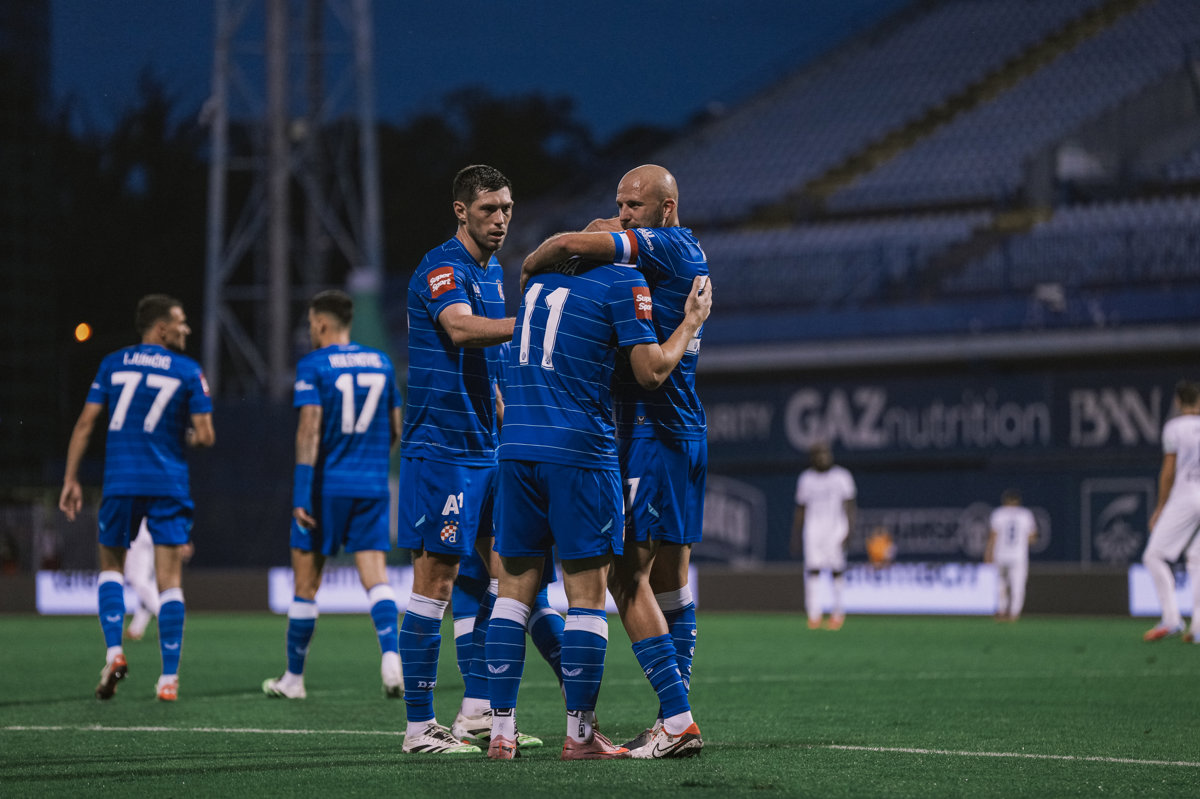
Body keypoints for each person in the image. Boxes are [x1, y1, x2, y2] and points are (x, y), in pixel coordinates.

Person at [484, 246, 712, 760]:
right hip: (580, 453)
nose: (629, 229)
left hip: (516, 449)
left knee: (511, 595)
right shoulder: (620, 281)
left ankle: (501, 732)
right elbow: (651, 372)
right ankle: (582, 737)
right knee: (590, 597)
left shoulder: (536, 285)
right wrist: (690, 322)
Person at [396, 164, 516, 755]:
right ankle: (419, 727)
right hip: (442, 451)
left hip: (486, 449)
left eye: (507, 209)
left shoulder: (490, 271)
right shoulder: (441, 266)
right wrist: (528, 323)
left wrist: (499, 403)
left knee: (501, 578)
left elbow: (486, 363)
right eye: (489, 209)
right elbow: (461, 330)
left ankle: (477, 711)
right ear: (460, 210)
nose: (500, 219)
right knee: (435, 581)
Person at [59, 294, 215, 701]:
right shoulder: (187, 370)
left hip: (121, 482)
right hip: (168, 484)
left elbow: (86, 423)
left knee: (111, 567)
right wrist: (180, 431)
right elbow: (207, 435)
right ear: (161, 328)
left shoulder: (113, 363)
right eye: (181, 322)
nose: (187, 329)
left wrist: (71, 478)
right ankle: (168, 679)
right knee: (169, 582)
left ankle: (114, 652)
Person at [262, 290, 405, 700]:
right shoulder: (381, 362)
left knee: (306, 585)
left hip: (326, 488)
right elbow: (395, 425)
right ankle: (392, 660)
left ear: (322, 324)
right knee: (376, 579)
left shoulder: (314, 365)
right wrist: (373, 462)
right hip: (372, 486)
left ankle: (293, 679)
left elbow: (309, 428)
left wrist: (302, 491)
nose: (310, 331)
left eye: (310, 324)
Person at [1142, 380, 1200, 642]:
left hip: (1186, 495)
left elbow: (1168, 472)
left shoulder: (1174, 427)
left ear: (1178, 402)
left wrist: (1160, 507)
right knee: (1197, 558)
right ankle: (1198, 628)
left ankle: (1171, 619)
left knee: (1153, 555)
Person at [790, 443, 856, 631]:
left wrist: (850, 530)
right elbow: (801, 508)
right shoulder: (806, 479)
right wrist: (795, 535)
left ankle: (837, 613)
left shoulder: (842, 476)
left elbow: (850, 506)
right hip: (813, 530)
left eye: (826, 453)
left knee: (836, 570)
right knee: (813, 570)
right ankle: (814, 614)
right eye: (819, 454)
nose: (823, 457)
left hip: (835, 529)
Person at [125, 518, 194, 640]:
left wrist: (182, 541)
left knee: (139, 582)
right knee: (149, 584)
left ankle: (167, 617)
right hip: (154, 535)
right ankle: (136, 628)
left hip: (144, 535)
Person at [984, 489, 1037, 621]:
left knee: (1000, 584)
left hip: (1000, 554)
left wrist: (988, 553)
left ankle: (1001, 611)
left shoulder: (999, 514)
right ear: (1018, 502)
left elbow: (993, 537)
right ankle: (1014, 614)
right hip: (1018, 556)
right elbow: (1032, 538)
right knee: (1017, 585)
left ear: (1004, 501)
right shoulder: (1025, 514)